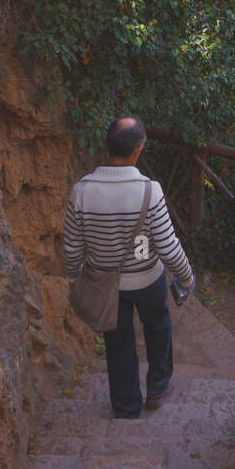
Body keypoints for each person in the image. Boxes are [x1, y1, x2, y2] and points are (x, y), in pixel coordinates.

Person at [63, 116, 195, 419]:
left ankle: (125, 404)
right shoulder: (149, 190)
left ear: (107, 147)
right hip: (148, 279)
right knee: (158, 326)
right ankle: (158, 386)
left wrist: (73, 279)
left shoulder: (81, 190)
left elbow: (72, 245)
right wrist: (186, 279)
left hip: (103, 282)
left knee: (117, 339)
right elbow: (167, 245)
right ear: (139, 150)